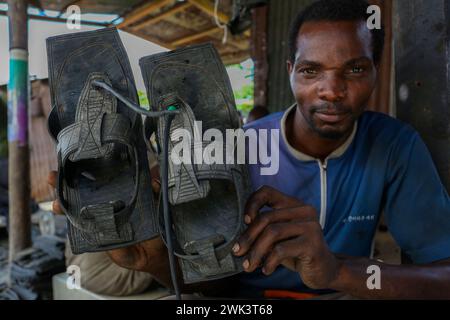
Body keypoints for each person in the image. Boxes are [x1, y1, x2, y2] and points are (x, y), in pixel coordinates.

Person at [49, 0, 450, 299]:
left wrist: (337, 273)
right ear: (290, 71)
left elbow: (443, 273)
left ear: (377, 71)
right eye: (311, 71)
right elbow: (217, 287)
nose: (331, 90)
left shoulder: (393, 145)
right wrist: (154, 260)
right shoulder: (237, 146)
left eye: (355, 69)